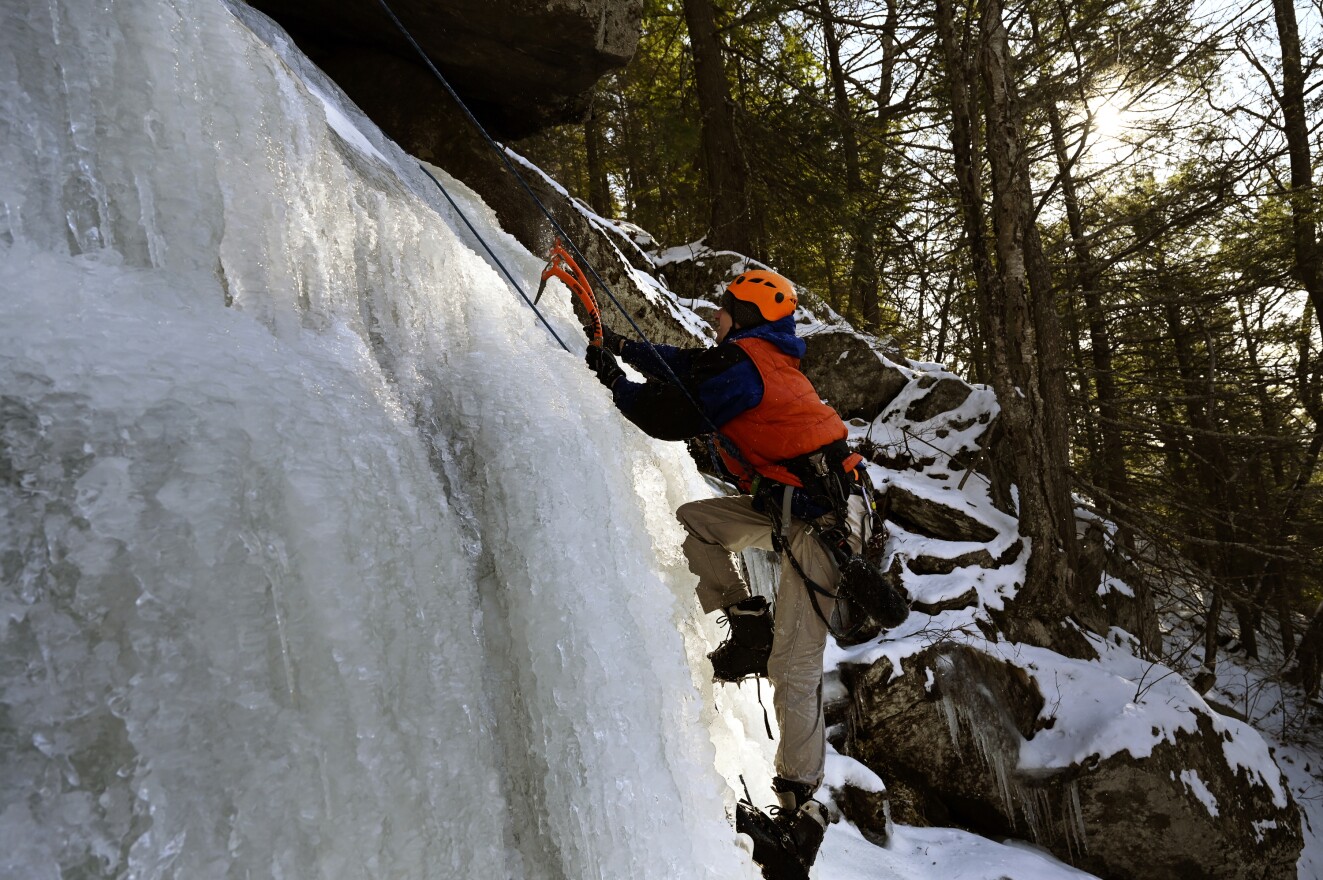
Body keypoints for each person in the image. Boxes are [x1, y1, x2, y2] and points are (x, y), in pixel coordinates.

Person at [583, 268, 866, 880]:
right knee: (699, 520)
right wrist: (626, 349)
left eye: (725, 309)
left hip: (827, 523)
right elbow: (688, 368)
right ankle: (748, 623)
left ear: (746, 315)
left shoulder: (747, 369)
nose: (717, 317)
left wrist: (614, 383)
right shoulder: (749, 361)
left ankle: (801, 816)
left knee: (794, 666)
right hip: (792, 508)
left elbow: (668, 414)